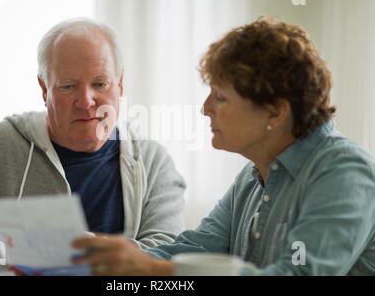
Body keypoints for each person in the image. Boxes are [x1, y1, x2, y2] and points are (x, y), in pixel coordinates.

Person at [71, 17, 375, 276]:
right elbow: (196, 247)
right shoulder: (253, 176)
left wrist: (154, 270)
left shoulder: (344, 171)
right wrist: (105, 256)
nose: (205, 109)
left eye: (221, 97)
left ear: (275, 111)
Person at [0, 18, 186, 265]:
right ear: (44, 89)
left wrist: (79, 250)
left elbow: (167, 256)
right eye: (68, 86)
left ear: (119, 85)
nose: (86, 101)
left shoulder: (153, 162)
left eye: (100, 83)